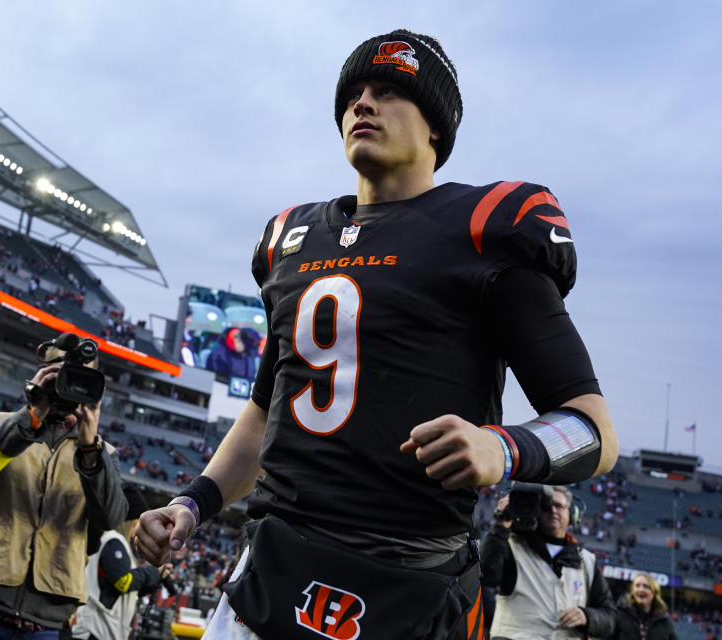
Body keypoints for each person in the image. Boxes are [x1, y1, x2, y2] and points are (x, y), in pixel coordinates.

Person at [134, 28, 619, 640]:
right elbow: (265, 414)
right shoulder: (293, 240)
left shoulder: (483, 229)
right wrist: (192, 503)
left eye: (389, 91)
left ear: (436, 126)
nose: (362, 104)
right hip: (272, 568)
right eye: (354, 94)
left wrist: (502, 447)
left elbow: (594, 430)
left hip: (403, 584)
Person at [0, 333, 128, 639]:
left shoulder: (104, 455)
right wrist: (31, 416)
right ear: (43, 375)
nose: (69, 383)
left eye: (80, 376)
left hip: (45, 619)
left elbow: (110, 518)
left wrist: (90, 448)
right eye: (60, 372)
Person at [481, 486, 616, 639]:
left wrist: (587, 617)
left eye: (559, 506)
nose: (553, 510)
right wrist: (502, 523)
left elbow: (609, 618)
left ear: (572, 513)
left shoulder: (587, 561)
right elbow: (487, 575)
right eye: (545, 506)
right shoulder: (510, 545)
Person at [71, 485, 167, 640]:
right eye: (137, 522)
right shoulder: (112, 540)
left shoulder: (107, 539)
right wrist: (153, 572)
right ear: (129, 520)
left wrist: (154, 579)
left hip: (98, 628)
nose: (138, 528)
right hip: (96, 629)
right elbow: (123, 581)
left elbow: (114, 589)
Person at [611, 573, 678, 640]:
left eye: (646, 586)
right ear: (632, 590)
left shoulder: (664, 622)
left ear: (654, 592)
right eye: (637, 586)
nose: (641, 589)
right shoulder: (619, 615)